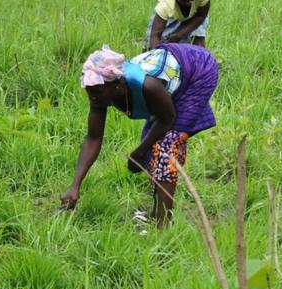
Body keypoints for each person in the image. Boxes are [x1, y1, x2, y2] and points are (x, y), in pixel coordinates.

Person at [61, 44, 219, 228]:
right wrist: (75, 185)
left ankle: (163, 225)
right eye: (89, 89)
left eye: (97, 90)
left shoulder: (147, 85)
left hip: (199, 70)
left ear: (117, 84)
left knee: (167, 145)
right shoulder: (100, 93)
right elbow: (93, 138)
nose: (92, 96)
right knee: (152, 141)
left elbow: (167, 118)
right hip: (170, 76)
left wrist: (139, 152)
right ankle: (156, 212)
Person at [145, 0, 212, 49]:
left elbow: (201, 15)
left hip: (198, 9)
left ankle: (199, 60)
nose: (189, 2)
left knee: (198, 39)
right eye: (185, 0)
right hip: (173, 8)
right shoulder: (166, 4)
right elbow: (155, 35)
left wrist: (179, 35)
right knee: (149, 46)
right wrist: (156, 55)